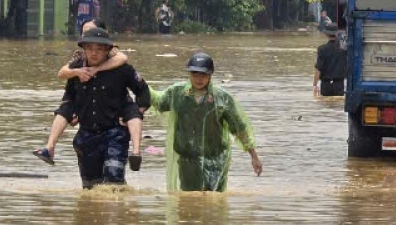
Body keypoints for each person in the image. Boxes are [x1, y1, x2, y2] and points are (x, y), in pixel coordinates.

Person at [35, 19, 144, 168]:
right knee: (65, 108)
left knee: (132, 113)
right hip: (87, 130)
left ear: (106, 45)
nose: (94, 52)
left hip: (114, 123)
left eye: (99, 48)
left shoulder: (116, 58)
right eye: (88, 44)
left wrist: (96, 69)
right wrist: (77, 72)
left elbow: (124, 61)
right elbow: (62, 73)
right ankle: (50, 147)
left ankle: (136, 151)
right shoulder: (79, 59)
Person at [52, 27, 151, 188]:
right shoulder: (76, 71)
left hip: (115, 133)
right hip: (86, 136)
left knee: (113, 181)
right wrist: (71, 114)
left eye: (99, 49)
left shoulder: (122, 70)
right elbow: (69, 97)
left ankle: (120, 209)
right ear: (83, 50)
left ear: (108, 50)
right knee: (90, 187)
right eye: (89, 48)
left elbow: (144, 93)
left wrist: (134, 114)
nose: (94, 53)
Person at [150, 52, 263, 192]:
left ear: (210, 75)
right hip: (188, 160)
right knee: (189, 202)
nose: (198, 79)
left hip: (216, 159)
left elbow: (239, 127)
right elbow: (158, 101)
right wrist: (138, 83)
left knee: (214, 201)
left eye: (203, 75)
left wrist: (254, 156)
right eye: (195, 74)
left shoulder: (221, 98)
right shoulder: (177, 93)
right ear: (189, 74)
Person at [313, 22, 348, 96]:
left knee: (326, 104)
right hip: (339, 84)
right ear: (337, 34)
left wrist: (315, 85)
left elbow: (318, 69)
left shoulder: (322, 49)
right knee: (337, 105)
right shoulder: (344, 49)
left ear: (326, 34)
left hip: (326, 85)